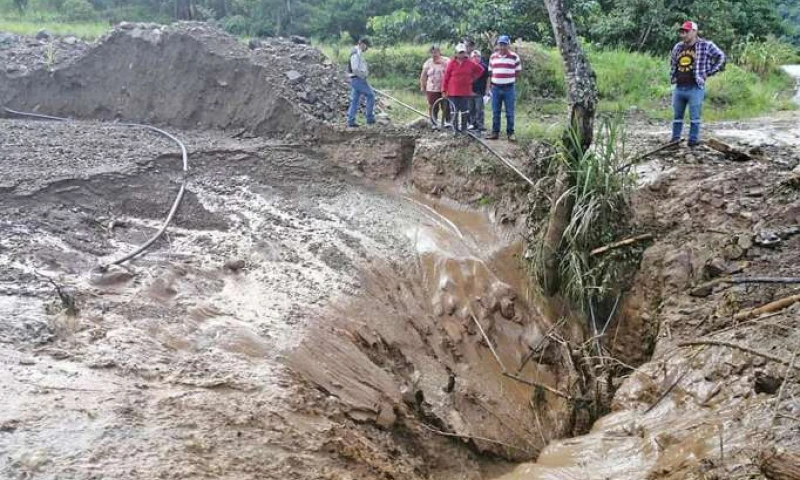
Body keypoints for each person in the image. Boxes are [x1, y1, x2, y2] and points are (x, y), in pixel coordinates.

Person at [670, 21, 726, 147]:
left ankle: (693, 141)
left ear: (694, 32)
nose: (683, 35)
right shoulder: (678, 47)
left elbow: (721, 57)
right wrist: (673, 77)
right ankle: (674, 140)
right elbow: (673, 62)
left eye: (686, 32)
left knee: (695, 117)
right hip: (679, 86)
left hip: (695, 86)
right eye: (682, 32)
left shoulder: (706, 45)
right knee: (677, 117)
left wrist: (709, 72)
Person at [442, 43, 485, 133]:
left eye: (463, 52)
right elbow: (446, 77)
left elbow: (480, 70)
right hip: (453, 91)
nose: (461, 54)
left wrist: (473, 78)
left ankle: (464, 129)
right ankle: (455, 129)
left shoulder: (470, 63)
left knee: (464, 110)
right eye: (460, 52)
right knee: (454, 110)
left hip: (465, 91)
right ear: (456, 53)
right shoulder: (451, 63)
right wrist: (444, 90)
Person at [488, 35, 521, 141]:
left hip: (509, 88)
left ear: (508, 45)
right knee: (495, 111)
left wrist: (509, 79)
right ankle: (495, 132)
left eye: (504, 44)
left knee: (510, 112)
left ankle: (510, 133)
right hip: (496, 88)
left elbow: (518, 72)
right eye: (500, 44)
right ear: (498, 45)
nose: (502, 47)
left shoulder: (514, 57)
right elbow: (490, 72)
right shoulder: (493, 57)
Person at [346, 37, 375, 128]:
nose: (367, 49)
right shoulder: (355, 53)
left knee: (355, 100)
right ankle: (369, 118)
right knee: (371, 95)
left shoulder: (358, 52)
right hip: (357, 79)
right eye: (367, 46)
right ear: (362, 44)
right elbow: (355, 69)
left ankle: (351, 120)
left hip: (356, 79)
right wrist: (363, 76)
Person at [420, 45, 450, 127]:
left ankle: (447, 122)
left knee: (446, 106)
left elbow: (452, 71)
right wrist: (423, 86)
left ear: (439, 52)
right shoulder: (428, 62)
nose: (434, 54)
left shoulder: (446, 60)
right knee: (433, 106)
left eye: (436, 52)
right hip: (432, 88)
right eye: (432, 52)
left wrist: (442, 63)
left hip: (445, 88)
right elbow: (423, 75)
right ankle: (434, 122)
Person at [468, 50, 489, 133]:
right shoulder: (468, 66)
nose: (476, 58)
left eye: (478, 56)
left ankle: (480, 125)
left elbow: (488, 78)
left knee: (479, 109)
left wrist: (487, 89)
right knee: (471, 109)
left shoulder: (484, 67)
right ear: (471, 58)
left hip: (480, 91)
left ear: (480, 57)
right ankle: (472, 124)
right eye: (474, 56)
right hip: (469, 91)